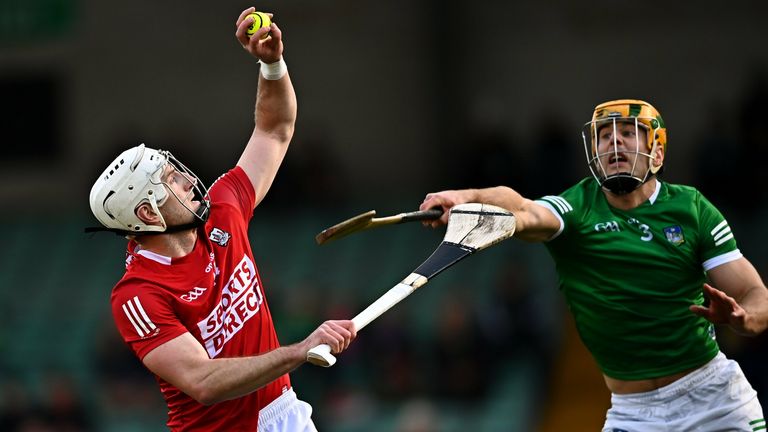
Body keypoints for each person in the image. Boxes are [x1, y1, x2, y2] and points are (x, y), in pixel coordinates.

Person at [419, 99, 768, 431]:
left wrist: (744, 318)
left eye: (628, 132)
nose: (613, 140)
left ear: (657, 152)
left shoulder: (692, 209)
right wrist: (466, 198)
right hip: (634, 415)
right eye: (604, 135)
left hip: (713, 399)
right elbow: (522, 209)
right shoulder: (577, 208)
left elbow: (755, 293)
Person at [87, 7, 356, 431]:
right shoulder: (138, 296)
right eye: (171, 181)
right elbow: (203, 380)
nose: (189, 182)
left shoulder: (222, 210)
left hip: (284, 411)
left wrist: (271, 64)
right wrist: (300, 349)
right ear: (146, 213)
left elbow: (274, 129)